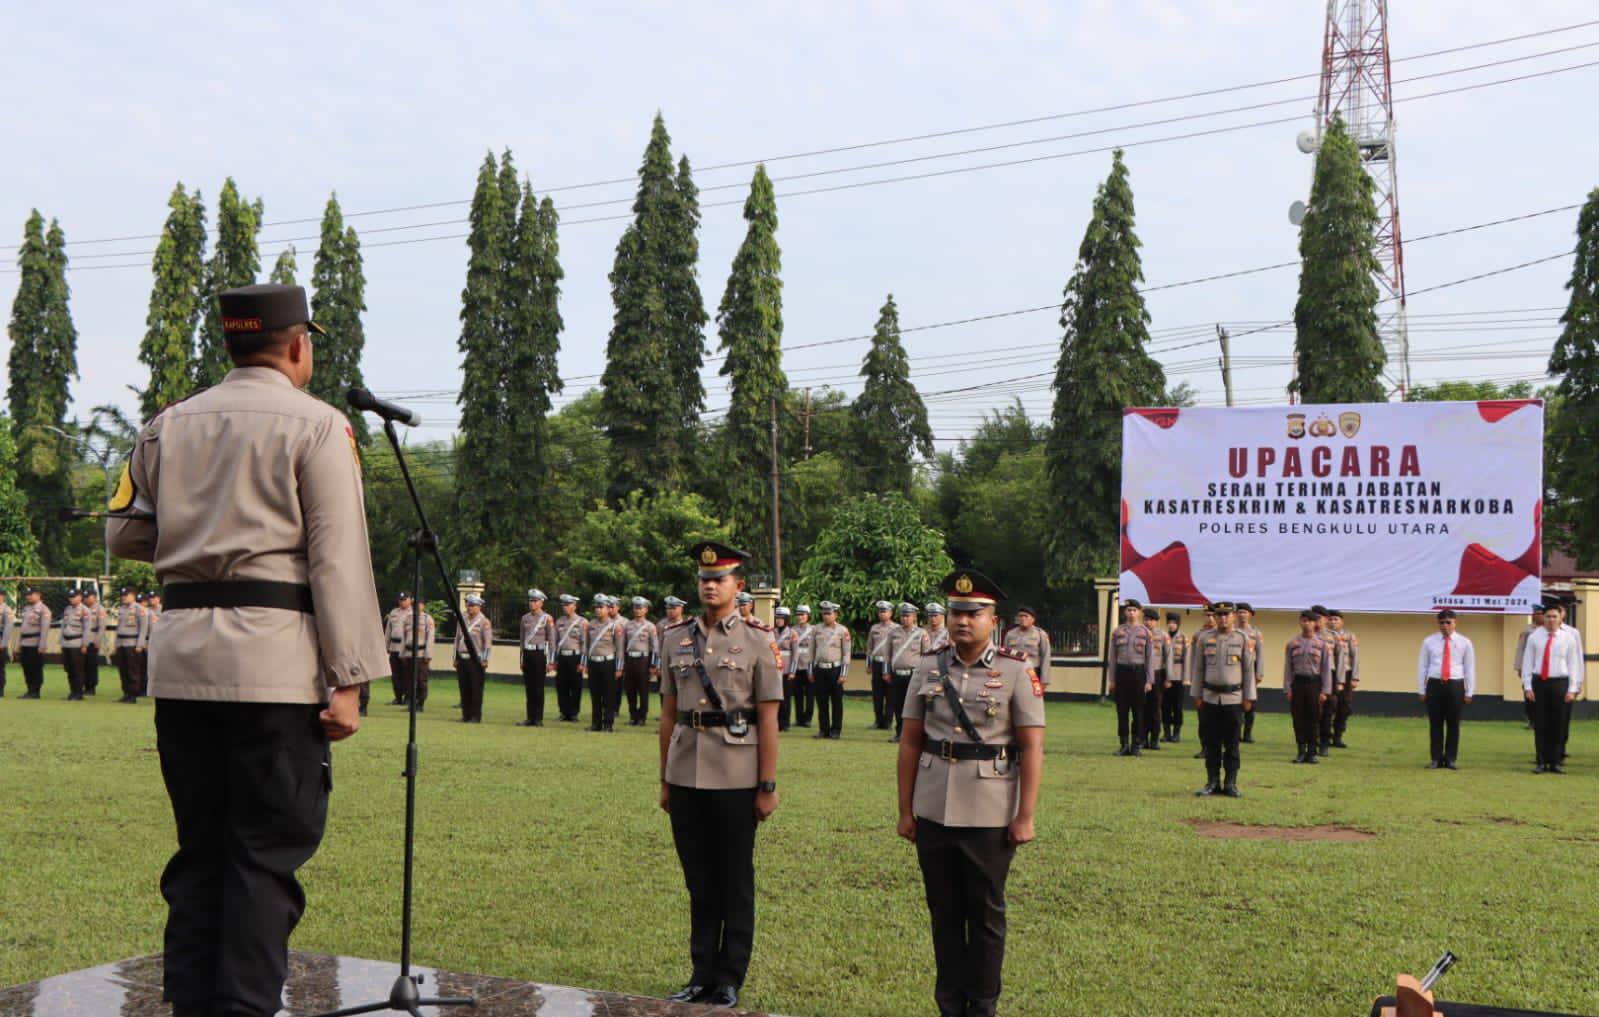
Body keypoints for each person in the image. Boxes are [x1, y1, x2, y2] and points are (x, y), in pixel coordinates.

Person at [105, 282, 386, 1017]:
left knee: (199, 851)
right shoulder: (319, 425)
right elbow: (338, 554)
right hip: (276, 668)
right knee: (262, 857)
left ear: (231, 342)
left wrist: (204, 532)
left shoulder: (165, 425)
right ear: (297, 345)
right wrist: (349, 677)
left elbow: (124, 534)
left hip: (184, 663)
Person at [897, 568, 1045, 1017]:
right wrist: (906, 810)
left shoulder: (1016, 669)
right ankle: (948, 1005)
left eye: (974, 613)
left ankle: (982, 1005)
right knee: (944, 914)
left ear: (993, 618)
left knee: (984, 915)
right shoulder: (927, 665)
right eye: (957, 611)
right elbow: (909, 741)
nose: (964, 620)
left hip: (990, 811)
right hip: (935, 807)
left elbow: (1032, 745)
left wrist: (1025, 815)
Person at [658, 541, 782, 1010]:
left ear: (738, 586)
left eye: (720, 580)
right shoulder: (674, 638)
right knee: (699, 880)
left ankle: (729, 977)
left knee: (734, 879)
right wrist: (665, 780)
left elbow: (768, 719)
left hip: (736, 774)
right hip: (686, 771)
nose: (710, 586)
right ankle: (700, 973)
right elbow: (668, 716)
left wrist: (766, 785)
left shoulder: (757, 640)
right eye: (704, 580)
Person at [1192, 602, 1256, 797]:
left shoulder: (1243, 639)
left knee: (1232, 743)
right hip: (1210, 698)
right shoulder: (1205, 638)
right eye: (1219, 615)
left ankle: (1230, 783)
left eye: (1226, 615)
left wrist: (1249, 696)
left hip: (1234, 699)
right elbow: (1199, 669)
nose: (1222, 618)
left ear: (1233, 617)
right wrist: (1196, 694)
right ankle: (1212, 782)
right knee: (1211, 743)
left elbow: (1248, 670)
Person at [1522, 604, 1584, 774]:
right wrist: (1528, 686)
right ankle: (1541, 761)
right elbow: (1528, 662)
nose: (1551, 620)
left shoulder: (1568, 638)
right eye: (1548, 616)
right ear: (1543, 618)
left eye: (1554, 616)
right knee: (1540, 723)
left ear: (1560, 618)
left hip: (1560, 683)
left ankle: (1556, 762)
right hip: (1540, 683)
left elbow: (1574, 664)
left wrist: (1572, 688)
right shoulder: (1535, 637)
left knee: (1559, 723)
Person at [1417, 609, 1474, 770]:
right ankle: (1435, 758)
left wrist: (1469, 691)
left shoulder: (1465, 642)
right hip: (1435, 684)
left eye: (1448, 622)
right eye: (1441, 622)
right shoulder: (1429, 642)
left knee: (1453, 723)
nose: (1445, 626)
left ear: (1455, 623)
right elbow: (1423, 666)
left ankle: (1450, 759)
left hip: (1455, 685)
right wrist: (1421, 689)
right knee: (1435, 723)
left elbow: (1469, 668)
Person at [1105, 600, 1155, 756]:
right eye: (1128, 610)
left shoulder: (1145, 632)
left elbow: (1150, 658)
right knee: (1122, 710)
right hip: (1121, 673)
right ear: (1124, 612)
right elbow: (1112, 657)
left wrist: (1149, 680)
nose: (1131, 613)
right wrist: (1111, 679)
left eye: (1134, 610)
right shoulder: (1117, 632)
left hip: (1138, 673)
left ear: (1139, 612)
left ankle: (1136, 745)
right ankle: (1124, 744)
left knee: (1138, 711)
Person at [1283, 610, 1333, 764]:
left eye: (1310, 621)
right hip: (1298, 683)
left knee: (1314, 717)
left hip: (1314, 683)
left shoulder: (1322, 645)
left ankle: (1312, 752)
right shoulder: (1292, 644)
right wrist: (1287, 688)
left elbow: (1326, 669)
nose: (1307, 624)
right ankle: (1301, 751)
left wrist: (1325, 690)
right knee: (1298, 717)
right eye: (1303, 621)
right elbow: (1288, 669)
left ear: (1315, 623)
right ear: (1300, 622)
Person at [808, 602, 852, 739]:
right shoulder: (816, 629)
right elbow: (811, 651)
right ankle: (823, 729)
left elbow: (846, 653)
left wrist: (844, 673)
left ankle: (836, 730)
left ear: (836, 614)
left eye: (829, 613)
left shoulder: (842, 630)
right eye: (824, 613)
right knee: (821, 701)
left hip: (836, 669)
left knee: (836, 702)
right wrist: (810, 670)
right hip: (820, 669)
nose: (826, 616)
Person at [887, 602, 925, 742]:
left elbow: (925, 656)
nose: (905, 618)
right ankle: (899, 733)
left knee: (914, 706)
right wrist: (887, 671)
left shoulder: (921, 634)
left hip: (913, 675)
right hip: (897, 675)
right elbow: (888, 654)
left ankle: (914, 735)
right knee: (898, 705)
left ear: (914, 616)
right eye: (903, 616)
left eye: (908, 616)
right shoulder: (894, 633)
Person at [586, 593, 624, 732]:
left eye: (601, 607)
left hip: (608, 663)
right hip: (593, 663)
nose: (598, 610)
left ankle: (608, 724)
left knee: (608, 695)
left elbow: (619, 649)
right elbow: (586, 646)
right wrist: (585, 664)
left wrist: (619, 668)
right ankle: (596, 724)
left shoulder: (615, 626)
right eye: (596, 607)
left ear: (608, 608)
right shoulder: (590, 625)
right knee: (595, 695)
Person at [519, 589, 556, 727]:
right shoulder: (525, 618)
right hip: (528, 654)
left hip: (540, 654)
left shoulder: (547, 618)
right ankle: (530, 717)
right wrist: (521, 659)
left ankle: (538, 718)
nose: (532, 603)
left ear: (541, 602)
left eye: (535, 601)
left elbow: (551, 641)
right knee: (529, 687)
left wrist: (551, 661)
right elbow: (522, 641)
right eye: (530, 600)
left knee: (538, 687)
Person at [454, 593, 492, 723]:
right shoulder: (462, 619)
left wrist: (485, 659)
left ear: (479, 606)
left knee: (475, 688)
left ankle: (475, 716)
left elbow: (487, 643)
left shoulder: (484, 622)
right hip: (462, 657)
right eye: (467, 604)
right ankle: (466, 714)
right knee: (464, 687)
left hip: (476, 660)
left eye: (472, 605)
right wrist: (455, 657)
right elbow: (457, 639)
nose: (469, 607)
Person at [622, 595, 659, 726]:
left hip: (643, 660)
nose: (637, 610)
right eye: (635, 608)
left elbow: (655, 647)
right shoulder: (627, 625)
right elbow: (623, 645)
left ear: (646, 610)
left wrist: (654, 664)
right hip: (630, 659)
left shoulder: (650, 626)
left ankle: (642, 717)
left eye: (640, 608)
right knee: (630, 690)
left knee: (643, 691)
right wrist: (622, 663)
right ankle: (633, 716)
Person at [1326, 609, 1360, 748]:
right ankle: (1325, 735)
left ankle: (1338, 736)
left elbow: (1355, 657)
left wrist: (1355, 677)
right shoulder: (1323, 636)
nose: (1333, 622)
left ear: (1342, 621)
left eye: (1336, 619)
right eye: (1331, 619)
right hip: (1330, 674)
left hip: (1346, 674)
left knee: (1345, 706)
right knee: (1329, 705)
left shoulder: (1349, 636)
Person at [553, 594, 589, 723]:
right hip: (562, 656)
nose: (565, 607)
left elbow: (585, 643)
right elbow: (555, 642)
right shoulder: (559, 621)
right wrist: (554, 660)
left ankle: (574, 713)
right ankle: (563, 712)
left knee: (575, 686)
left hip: (575, 656)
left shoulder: (582, 622)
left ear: (575, 606)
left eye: (568, 605)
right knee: (561, 685)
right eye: (563, 605)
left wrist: (583, 662)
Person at [1188, 606, 1217, 758]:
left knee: (1221, 720)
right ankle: (1205, 747)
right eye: (1207, 615)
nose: (1210, 618)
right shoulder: (1198, 636)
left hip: (1219, 684)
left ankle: (1218, 749)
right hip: (1203, 683)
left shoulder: (1224, 634)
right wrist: (1194, 682)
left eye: (1213, 615)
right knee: (1203, 719)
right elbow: (1194, 661)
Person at [1139, 607, 1168, 751]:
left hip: (1157, 674)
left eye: (1151, 620)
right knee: (1142, 707)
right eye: (1146, 619)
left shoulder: (1163, 636)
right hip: (1141, 674)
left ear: (1156, 621)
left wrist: (1168, 678)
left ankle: (1155, 739)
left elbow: (1168, 657)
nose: (1148, 622)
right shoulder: (1139, 634)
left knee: (1155, 708)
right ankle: (1142, 738)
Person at [1002, 605, 1051, 690]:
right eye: (1020, 616)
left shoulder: (1040, 634)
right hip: (1014, 674)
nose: (1023, 618)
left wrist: (1044, 681)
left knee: (1032, 700)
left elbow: (1046, 657)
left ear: (1033, 619)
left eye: (1026, 616)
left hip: (1032, 673)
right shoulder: (1010, 634)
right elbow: (1004, 656)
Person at [1236, 603, 1264, 745]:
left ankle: (1247, 734)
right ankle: (1235, 733)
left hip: (1251, 669)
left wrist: (1259, 672)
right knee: (1235, 702)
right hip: (1234, 669)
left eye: (1245, 612)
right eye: (1240, 612)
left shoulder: (1256, 633)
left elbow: (1260, 654)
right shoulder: (1232, 631)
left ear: (1250, 615)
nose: (1242, 615)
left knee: (1250, 702)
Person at [399, 597, 435, 710]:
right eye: (414, 604)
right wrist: (402, 652)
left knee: (421, 680)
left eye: (419, 604)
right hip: (409, 653)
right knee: (409, 680)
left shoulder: (427, 619)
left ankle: (421, 702)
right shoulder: (408, 618)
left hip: (421, 653)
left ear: (423, 605)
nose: (416, 606)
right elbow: (403, 637)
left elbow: (430, 638)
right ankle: (411, 702)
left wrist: (428, 654)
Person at [1512, 605, 1543, 732]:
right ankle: (1532, 720)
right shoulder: (1527, 631)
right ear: (1534, 615)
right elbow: (1520, 650)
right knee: (1529, 695)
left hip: (1543, 669)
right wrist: (1519, 667)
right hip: (1529, 669)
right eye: (1537, 613)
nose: (1540, 616)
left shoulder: (1548, 631)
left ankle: (1542, 721)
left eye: (1542, 613)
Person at [16, 586, 50, 698]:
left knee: (35, 668)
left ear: (38, 595)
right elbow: (23, 627)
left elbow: (45, 629)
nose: (28, 596)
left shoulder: (44, 610)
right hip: (25, 642)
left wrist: (42, 644)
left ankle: (35, 691)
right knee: (26, 667)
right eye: (27, 594)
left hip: (35, 643)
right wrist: (20, 643)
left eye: (31, 594)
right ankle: (29, 690)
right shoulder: (27, 608)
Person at [867, 600, 895, 730]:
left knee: (890, 694)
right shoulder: (874, 628)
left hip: (889, 664)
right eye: (880, 612)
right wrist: (869, 665)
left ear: (891, 613)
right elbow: (869, 648)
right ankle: (878, 720)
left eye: (884, 611)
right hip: (877, 663)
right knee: (877, 693)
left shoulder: (896, 629)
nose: (882, 614)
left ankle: (888, 721)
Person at [113, 588, 143, 703]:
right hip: (121, 642)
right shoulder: (121, 609)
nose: (123, 597)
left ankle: (133, 694)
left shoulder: (140, 609)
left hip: (132, 643)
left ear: (133, 595)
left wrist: (140, 644)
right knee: (123, 670)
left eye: (126, 595)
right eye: (122, 595)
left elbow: (143, 628)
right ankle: (126, 693)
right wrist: (116, 644)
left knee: (132, 670)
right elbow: (118, 628)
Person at [1162, 612, 1188, 743]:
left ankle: (1176, 733)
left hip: (1178, 676)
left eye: (1174, 623)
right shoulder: (1163, 636)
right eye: (1169, 622)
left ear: (1178, 624)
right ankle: (1166, 733)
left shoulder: (1183, 638)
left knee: (1177, 707)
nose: (1171, 625)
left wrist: (1186, 678)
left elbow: (1187, 659)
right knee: (1165, 706)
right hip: (1165, 676)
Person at [60, 586, 90, 701]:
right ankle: (72, 691)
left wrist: (84, 644)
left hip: (77, 643)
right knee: (69, 669)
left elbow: (87, 628)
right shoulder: (67, 609)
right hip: (66, 643)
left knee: (77, 669)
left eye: (73, 597)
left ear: (80, 597)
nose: (71, 599)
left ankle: (78, 693)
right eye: (70, 597)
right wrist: (61, 642)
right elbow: (63, 626)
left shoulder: (84, 610)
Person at [773, 606, 798, 731]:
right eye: (777, 617)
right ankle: (776, 722)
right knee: (775, 698)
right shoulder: (772, 632)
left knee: (786, 698)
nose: (779, 620)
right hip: (774, 670)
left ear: (786, 619)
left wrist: (793, 671)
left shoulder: (792, 633)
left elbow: (795, 654)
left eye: (781, 618)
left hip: (787, 670)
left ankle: (785, 723)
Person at [789, 604, 815, 728]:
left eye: (803, 614)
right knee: (797, 694)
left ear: (808, 616)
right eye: (798, 614)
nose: (800, 617)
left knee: (810, 694)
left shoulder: (814, 630)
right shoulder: (792, 630)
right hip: (796, 666)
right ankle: (799, 719)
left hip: (809, 666)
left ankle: (808, 719)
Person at [384, 592, 412, 705]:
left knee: (407, 674)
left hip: (405, 648)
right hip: (394, 646)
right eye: (400, 600)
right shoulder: (394, 612)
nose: (402, 602)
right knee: (395, 674)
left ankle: (408, 697)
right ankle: (398, 697)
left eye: (405, 599)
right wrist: (386, 646)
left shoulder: (413, 613)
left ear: (410, 600)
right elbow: (388, 631)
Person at [83, 587, 106, 695]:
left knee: (91, 665)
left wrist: (98, 641)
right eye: (85, 597)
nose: (86, 599)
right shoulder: (82, 608)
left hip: (92, 639)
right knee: (82, 665)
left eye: (88, 597)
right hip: (82, 639)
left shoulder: (99, 609)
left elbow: (101, 627)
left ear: (94, 597)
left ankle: (91, 687)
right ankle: (84, 685)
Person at [0, 588, 14, 697]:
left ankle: (0, 691)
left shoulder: (6, 610)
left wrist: (3, 644)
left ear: (3, 597)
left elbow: (8, 628)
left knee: (0, 668)